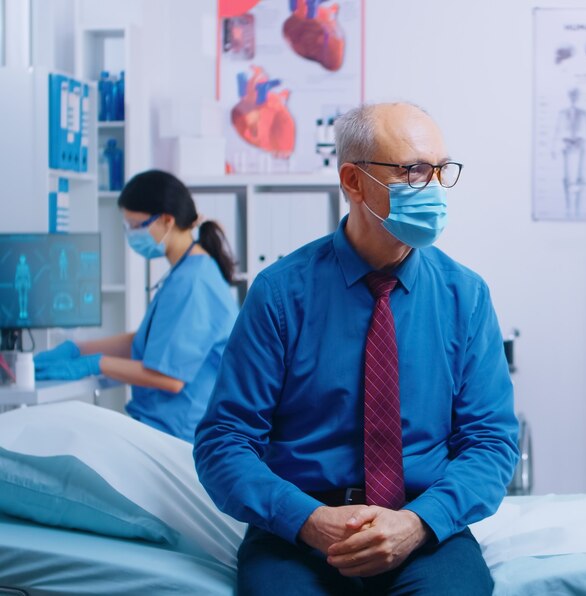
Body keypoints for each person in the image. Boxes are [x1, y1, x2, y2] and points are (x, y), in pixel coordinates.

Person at [194, 102, 518, 595]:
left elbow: (492, 444)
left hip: (424, 527)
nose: (431, 189)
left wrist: (418, 523)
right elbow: (224, 442)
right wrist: (308, 519)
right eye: (412, 172)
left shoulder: (465, 297)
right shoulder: (281, 295)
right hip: (299, 531)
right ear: (353, 181)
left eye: (440, 172)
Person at [34, 170, 239, 443]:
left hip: (179, 436)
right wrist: (77, 348)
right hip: (164, 426)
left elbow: (169, 378)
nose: (131, 234)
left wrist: (96, 364)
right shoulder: (188, 271)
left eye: (136, 225)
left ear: (167, 220)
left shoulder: (193, 283)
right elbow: (151, 341)